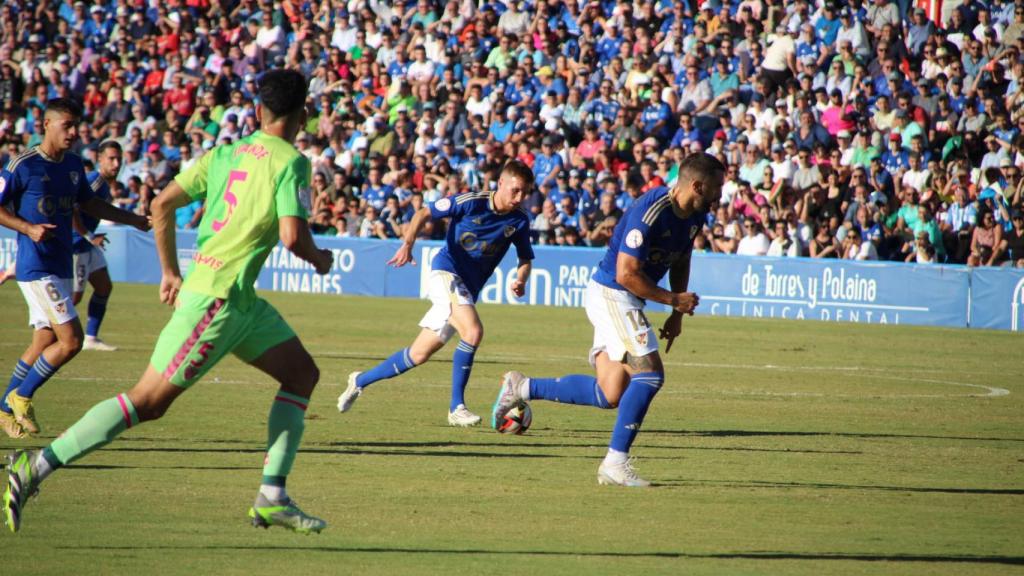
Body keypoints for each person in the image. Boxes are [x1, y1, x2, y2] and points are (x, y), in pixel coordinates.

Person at [3, 70, 335, 535]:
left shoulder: (223, 153)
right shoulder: (292, 162)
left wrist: (170, 271)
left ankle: (272, 497)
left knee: (302, 374)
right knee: (147, 402)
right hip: (217, 304)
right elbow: (292, 237)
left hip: (238, 300)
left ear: (259, 111)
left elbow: (161, 205)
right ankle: (32, 467)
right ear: (303, 116)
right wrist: (321, 259)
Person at [491, 153, 723, 487]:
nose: (720, 196)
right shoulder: (652, 212)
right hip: (613, 293)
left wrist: (676, 313)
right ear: (697, 185)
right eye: (716, 187)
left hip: (622, 297)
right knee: (651, 375)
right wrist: (672, 299)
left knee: (610, 392)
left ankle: (521, 387)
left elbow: (681, 258)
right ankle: (615, 463)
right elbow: (626, 274)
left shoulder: (695, 214)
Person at [337, 160, 535, 426]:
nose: (520, 198)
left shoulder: (519, 220)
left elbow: (525, 260)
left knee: (418, 354)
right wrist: (408, 244)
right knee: (473, 332)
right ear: (500, 183)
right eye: (515, 190)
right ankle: (457, 407)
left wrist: (520, 279)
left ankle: (359, 380)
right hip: (446, 273)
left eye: (525, 193)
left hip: (467, 289)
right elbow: (422, 213)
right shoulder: (470, 201)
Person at [0, 99, 150, 440]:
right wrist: (28, 228)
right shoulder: (22, 165)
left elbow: (90, 203)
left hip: (60, 263)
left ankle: (4, 409)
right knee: (72, 341)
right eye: (67, 125)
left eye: (76, 126)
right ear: (46, 125)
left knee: (45, 340)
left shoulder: (72, 165)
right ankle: (20, 396)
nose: (74, 132)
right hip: (36, 266)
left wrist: (134, 220)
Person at [70, 140, 124, 351]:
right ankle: (46, 330)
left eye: (119, 158)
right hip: (77, 244)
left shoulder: (104, 184)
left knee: (104, 287)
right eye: (111, 158)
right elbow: (72, 208)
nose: (116, 163)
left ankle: (90, 338)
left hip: (87, 243)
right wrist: (89, 235)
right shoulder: (94, 180)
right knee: (73, 299)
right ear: (99, 159)